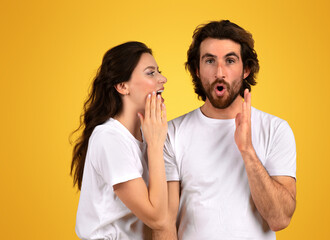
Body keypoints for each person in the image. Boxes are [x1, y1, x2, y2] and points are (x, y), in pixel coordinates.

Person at [154, 20, 297, 240]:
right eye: (209, 60)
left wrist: (247, 151)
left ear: (246, 69)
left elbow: (279, 219)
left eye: (230, 60)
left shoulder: (276, 129)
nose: (220, 72)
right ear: (197, 70)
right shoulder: (172, 133)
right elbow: (165, 223)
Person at [70, 41, 168, 239]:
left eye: (159, 71)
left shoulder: (148, 134)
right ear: (123, 86)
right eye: (151, 73)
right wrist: (156, 147)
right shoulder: (109, 138)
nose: (163, 79)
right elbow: (157, 219)